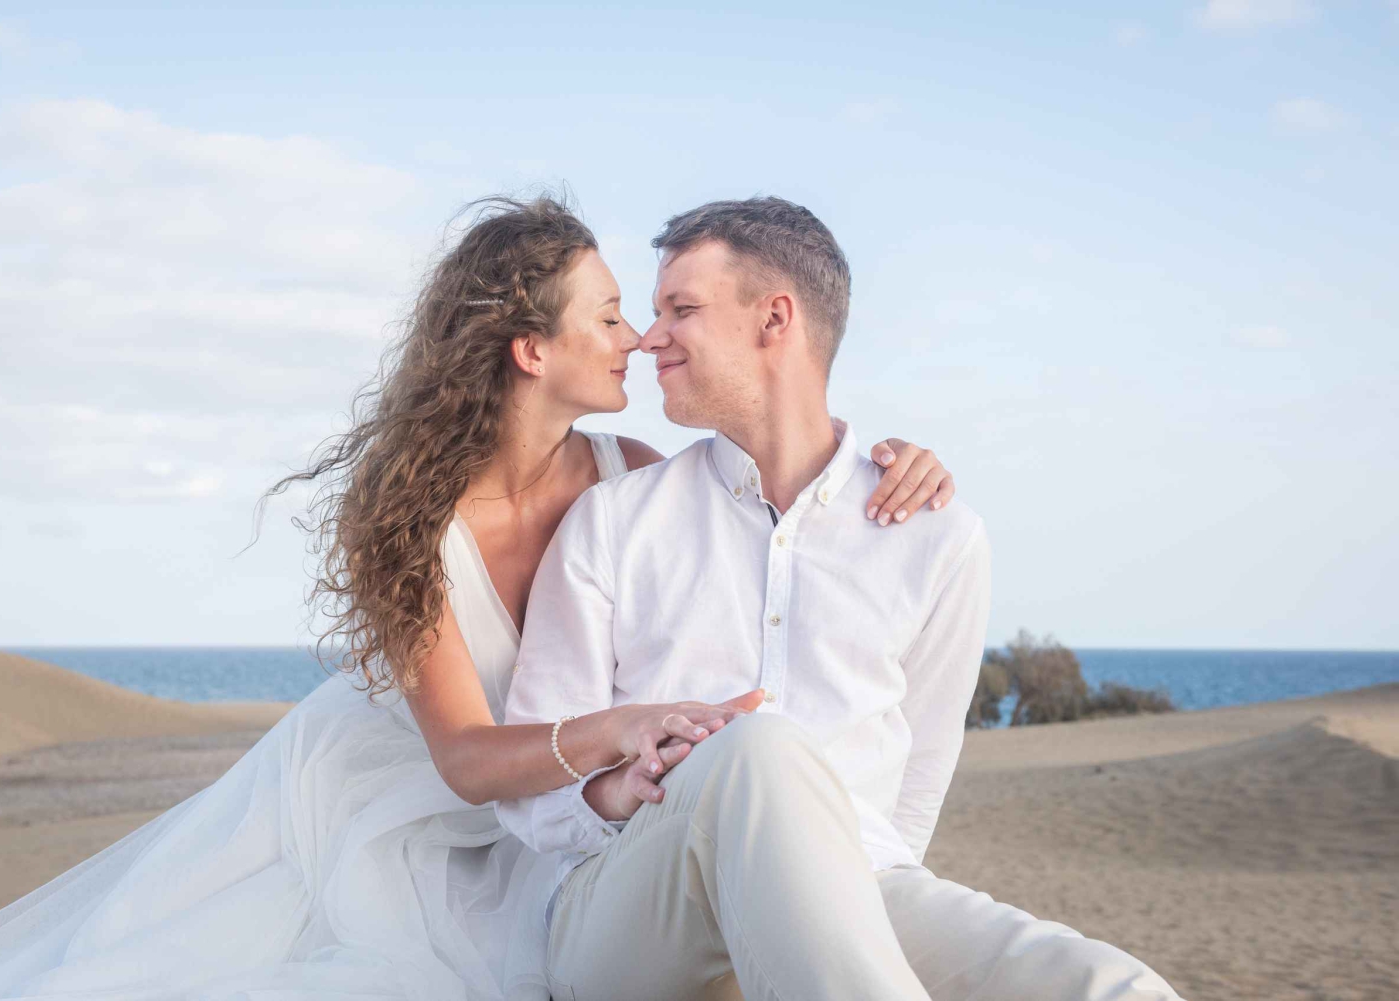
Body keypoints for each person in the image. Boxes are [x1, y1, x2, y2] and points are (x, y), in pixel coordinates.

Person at [0, 195, 957, 1000]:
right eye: (612, 314)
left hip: (580, 816)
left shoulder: (630, 469)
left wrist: (895, 465)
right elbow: (462, 758)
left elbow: (773, 468)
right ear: (531, 349)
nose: (637, 336)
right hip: (412, 816)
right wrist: (624, 727)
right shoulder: (404, 521)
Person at [497, 196, 1186, 1000]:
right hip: (624, 905)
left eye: (680, 309)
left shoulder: (937, 534)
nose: (650, 336)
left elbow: (919, 778)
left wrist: (809, 919)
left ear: (775, 319)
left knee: (1104, 983)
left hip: (859, 881)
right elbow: (533, 789)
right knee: (759, 748)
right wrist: (629, 784)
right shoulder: (614, 521)